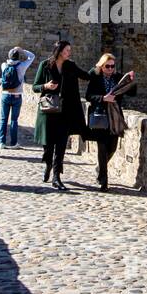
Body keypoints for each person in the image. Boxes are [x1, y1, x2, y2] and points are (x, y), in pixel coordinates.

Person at [31, 39, 95, 190]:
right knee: (48, 145)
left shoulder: (70, 66)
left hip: (65, 111)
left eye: (69, 50)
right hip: (48, 111)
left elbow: (86, 76)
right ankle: (48, 165)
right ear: (59, 51)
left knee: (61, 145)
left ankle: (56, 177)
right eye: (66, 50)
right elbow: (35, 86)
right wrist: (45, 86)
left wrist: (99, 68)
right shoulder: (45, 65)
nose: (69, 53)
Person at [84, 54, 136, 191]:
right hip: (100, 116)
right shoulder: (95, 77)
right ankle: (104, 181)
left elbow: (131, 93)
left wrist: (131, 81)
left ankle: (100, 168)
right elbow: (88, 95)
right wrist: (103, 98)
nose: (110, 68)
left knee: (112, 148)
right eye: (107, 66)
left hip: (115, 117)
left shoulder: (118, 78)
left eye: (112, 66)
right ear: (101, 66)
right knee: (102, 148)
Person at [0, 46, 35, 148]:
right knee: (14, 120)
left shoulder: (4, 66)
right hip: (17, 96)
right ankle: (13, 143)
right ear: (18, 57)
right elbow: (32, 56)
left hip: (5, 95)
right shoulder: (22, 66)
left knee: (3, 119)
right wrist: (22, 50)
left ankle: (1, 142)